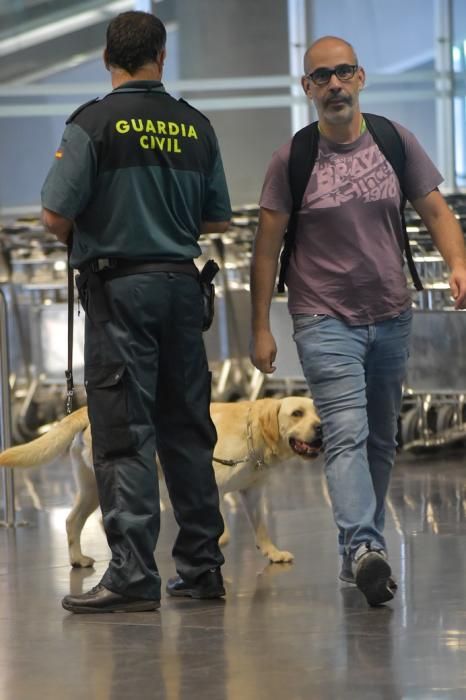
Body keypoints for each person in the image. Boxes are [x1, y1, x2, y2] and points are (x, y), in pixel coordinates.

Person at [250, 36, 466, 607]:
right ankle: (368, 546)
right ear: (308, 89)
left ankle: (354, 552)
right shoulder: (291, 159)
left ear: (361, 77)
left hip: (391, 313)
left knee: (380, 438)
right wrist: (260, 328)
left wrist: (459, 262)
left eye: (343, 73)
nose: (335, 84)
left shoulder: (396, 142)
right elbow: (265, 248)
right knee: (344, 431)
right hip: (323, 317)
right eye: (322, 77)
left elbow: (437, 211)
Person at [41, 11, 231, 613]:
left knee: (124, 433)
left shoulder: (92, 123)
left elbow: (54, 215)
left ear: (107, 58)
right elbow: (216, 218)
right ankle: (202, 569)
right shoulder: (195, 126)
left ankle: (131, 574)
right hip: (181, 289)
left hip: (121, 293)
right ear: (162, 56)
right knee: (187, 430)